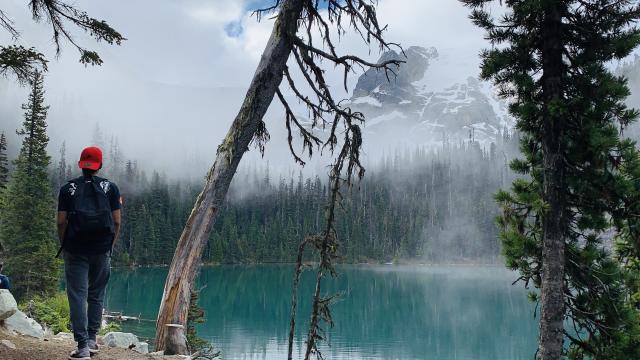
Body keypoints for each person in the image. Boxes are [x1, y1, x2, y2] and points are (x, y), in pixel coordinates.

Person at [57, 146, 121, 360]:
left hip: (75, 249)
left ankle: (82, 347)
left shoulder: (68, 189)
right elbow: (117, 221)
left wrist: (65, 243)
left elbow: (61, 221)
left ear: (81, 164)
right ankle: (92, 339)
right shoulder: (110, 188)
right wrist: (109, 245)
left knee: (77, 296)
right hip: (102, 249)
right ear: (99, 165)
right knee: (96, 294)